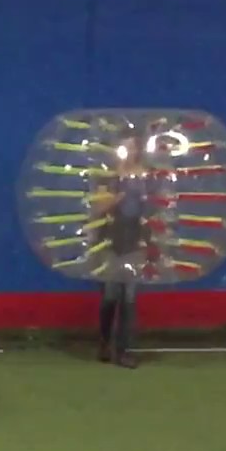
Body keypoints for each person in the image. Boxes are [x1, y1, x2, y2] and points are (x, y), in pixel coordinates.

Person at [89, 132, 153, 369]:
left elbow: (151, 209)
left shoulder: (145, 175)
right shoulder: (108, 177)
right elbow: (97, 208)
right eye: (124, 147)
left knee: (129, 299)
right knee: (110, 296)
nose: (128, 151)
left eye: (132, 147)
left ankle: (124, 350)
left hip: (135, 241)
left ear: (137, 149)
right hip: (110, 241)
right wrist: (120, 195)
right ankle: (105, 342)